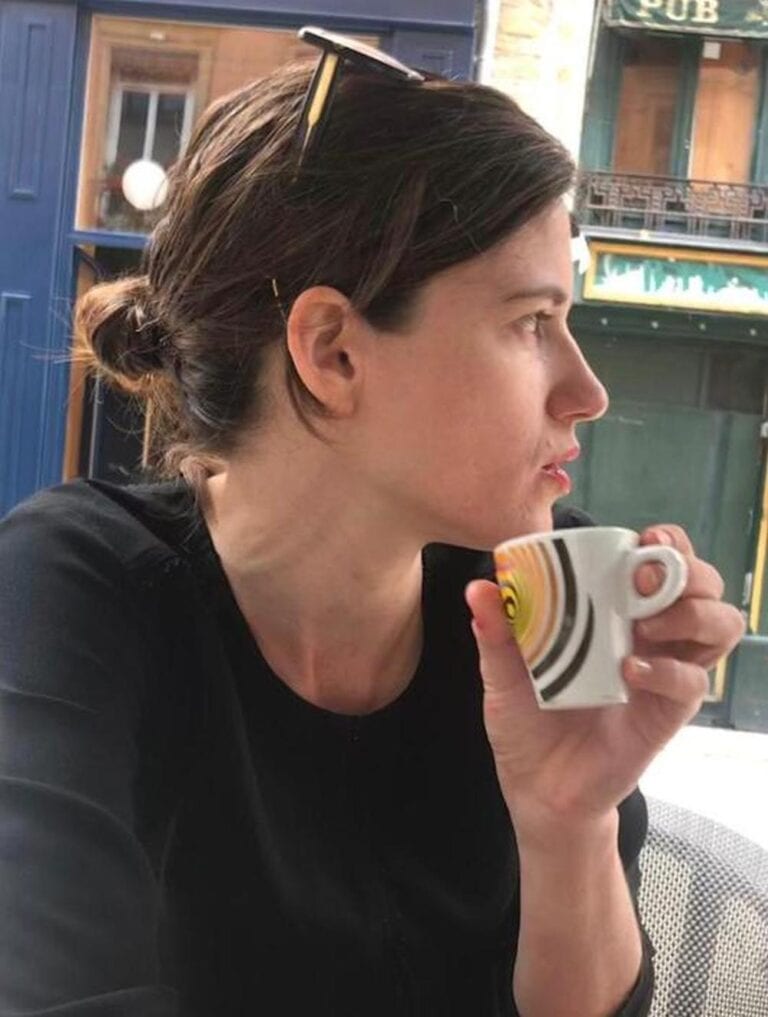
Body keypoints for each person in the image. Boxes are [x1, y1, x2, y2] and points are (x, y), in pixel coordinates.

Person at [0, 28, 744, 1017]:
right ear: (333, 353)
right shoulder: (75, 593)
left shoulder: (545, 595)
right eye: (531, 322)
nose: (588, 391)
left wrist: (573, 821)